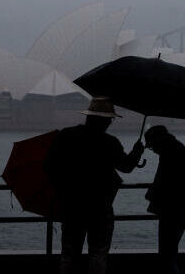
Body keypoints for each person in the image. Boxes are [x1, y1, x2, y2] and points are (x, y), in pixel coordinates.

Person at [45, 97, 144, 274]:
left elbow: (50, 167)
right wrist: (137, 152)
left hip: (71, 205)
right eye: (110, 120)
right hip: (101, 206)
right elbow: (126, 167)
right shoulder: (110, 142)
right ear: (106, 120)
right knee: (98, 253)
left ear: (89, 116)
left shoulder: (66, 135)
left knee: (69, 253)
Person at [143, 125, 185, 274]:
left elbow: (165, 182)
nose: (153, 150)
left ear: (158, 140)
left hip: (172, 210)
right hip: (181, 208)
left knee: (167, 253)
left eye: (152, 146)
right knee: (169, 252)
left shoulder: (169, 153)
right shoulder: (176, 149)